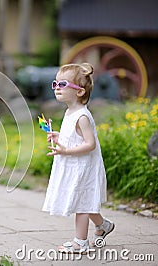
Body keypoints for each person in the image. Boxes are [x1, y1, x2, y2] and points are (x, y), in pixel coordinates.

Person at [42, 63, 115, 254]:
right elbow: (76, 137)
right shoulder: (70, 112)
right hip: (75, 164)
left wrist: (66, 151)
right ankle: (103, 225)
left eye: (62, 84)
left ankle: (80, 242)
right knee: (84, 198)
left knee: (82, 202)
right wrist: (60, 137)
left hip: (84, 165)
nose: (57, 88)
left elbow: (89, 144)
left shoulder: (82, 116)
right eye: (55, 84)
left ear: (80, 91)